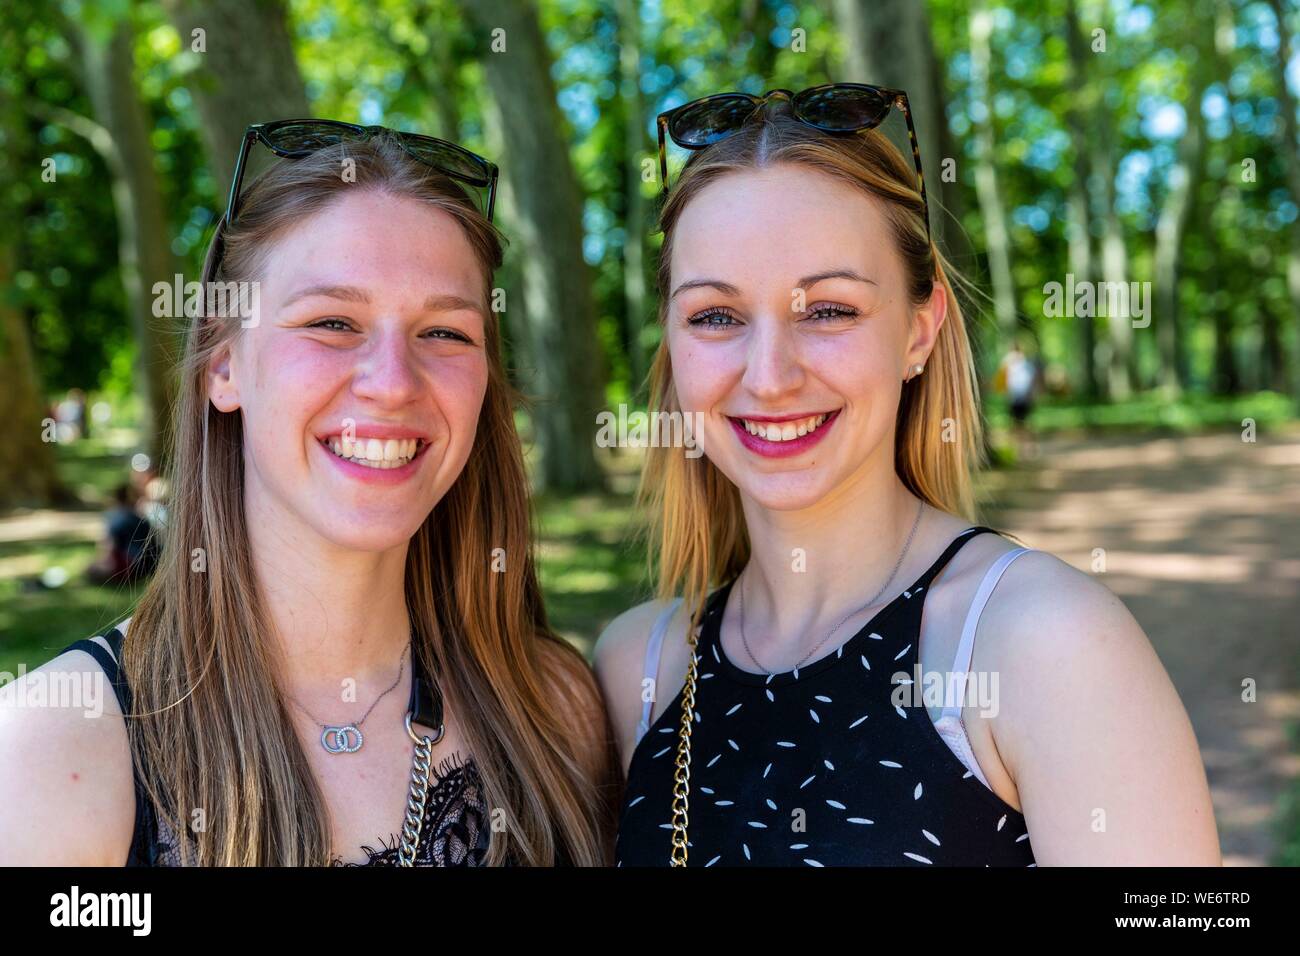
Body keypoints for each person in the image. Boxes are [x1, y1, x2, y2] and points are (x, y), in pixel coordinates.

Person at [594, 85, 1220, 866]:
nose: (769, 375)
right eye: (715, 316)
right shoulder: (637, 672)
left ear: (919, 332)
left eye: (828, 310)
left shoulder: (1040, 643)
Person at [0, 125, 617, 866]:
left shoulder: (556, 710)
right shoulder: (52, 750)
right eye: (332, 322)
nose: (392, 382)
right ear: (222, 367)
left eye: (446, 332)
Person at [85, 483, 159, 586]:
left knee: (91, 568)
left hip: (130, 565)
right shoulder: (142, 518)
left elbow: (109, 548)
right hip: (150, 565)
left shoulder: (115, 519)